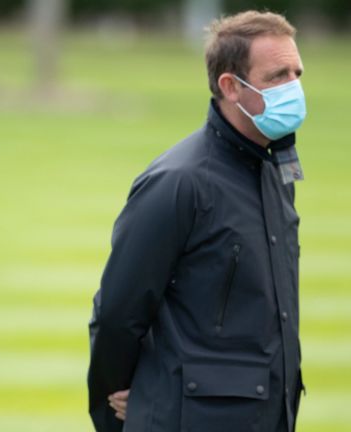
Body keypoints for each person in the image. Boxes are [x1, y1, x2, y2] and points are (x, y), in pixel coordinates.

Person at [88, 10, 307, 432]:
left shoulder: (275, 169)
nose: (294, 87)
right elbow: (117, 313)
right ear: (231, 86)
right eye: (277, 76)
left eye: (297, 73)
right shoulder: (177, 183)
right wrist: (126, 400)